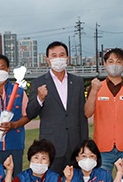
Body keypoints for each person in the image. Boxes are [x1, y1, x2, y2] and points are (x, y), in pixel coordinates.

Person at [26, 41, 88, 174]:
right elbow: (30, 112)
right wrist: (39, 98)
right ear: (47, 59)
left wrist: (84, 144)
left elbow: (81, 116)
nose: (58, 58)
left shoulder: (77, 82)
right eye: (54, 55)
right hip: (51, 144)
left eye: (62, 55)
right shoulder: (38, 82)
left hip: (75, 144)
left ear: (67, 58)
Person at [85, 48, 123, 173]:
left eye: (118, 62)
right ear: (105, 64)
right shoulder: (96, 87)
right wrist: (94, 92)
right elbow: (87, 112)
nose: (114, 65)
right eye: (111, 61)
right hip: (102, 147)